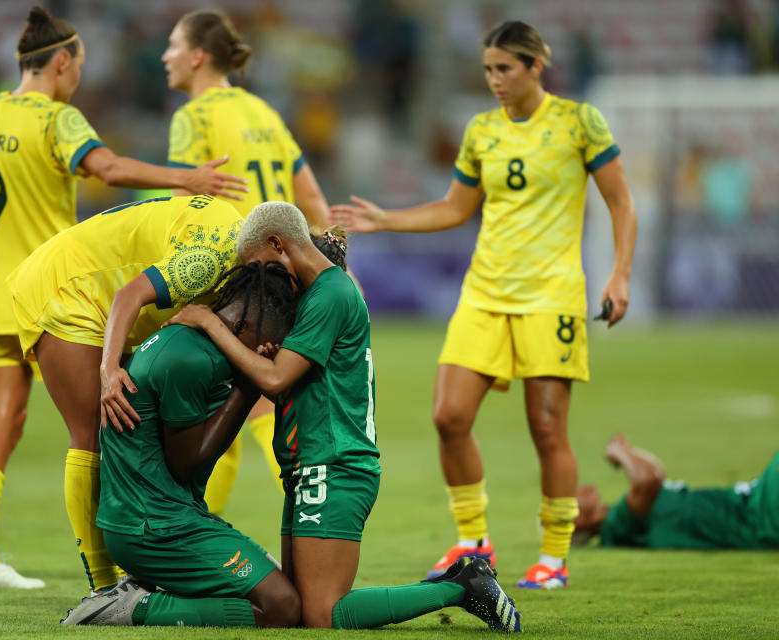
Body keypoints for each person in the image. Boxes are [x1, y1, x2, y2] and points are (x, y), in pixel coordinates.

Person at [0, 6, 247, 590]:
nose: (77, 77)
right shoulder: (59, 120)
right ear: (61, 62)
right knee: (100, 430)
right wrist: (185, 178)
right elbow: (107, 167)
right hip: (64, 287)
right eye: (78, 67)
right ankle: (112, 578)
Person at [330, 20, 637, 589]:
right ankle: (473, 542)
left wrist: (618, 275)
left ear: (535, 67)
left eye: (505, 69)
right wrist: (385, 218)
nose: (495, 80)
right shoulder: (480, 131)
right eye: (489, 70)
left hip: (551, 296)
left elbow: (621, 203)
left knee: (547, 430)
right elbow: (454, 208)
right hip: (485, 293)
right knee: (448, 416)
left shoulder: (578, 122)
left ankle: (554, 556)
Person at [163, 202, 521, 632]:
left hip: (334, 465)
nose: (260, 283)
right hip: (309, 466)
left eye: (259, 267)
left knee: (321, 614)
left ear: (278, 244)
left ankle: (464, 586)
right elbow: (296, 383)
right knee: (295, 608)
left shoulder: (330, 293)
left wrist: (209, 323)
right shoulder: (319, 293)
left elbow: (275, 381)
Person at [7, 194, 243, 594]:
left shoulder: (241, 245)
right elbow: (128, 295)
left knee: (133, 427)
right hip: (69, 287)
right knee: (95, 431)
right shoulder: (211, 259)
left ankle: (143, 570)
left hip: (99, 287)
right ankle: (105, 590)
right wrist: (109, 368)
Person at [61, 261, 303, 628]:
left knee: (285, 591)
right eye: (267, 342)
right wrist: (248, 386)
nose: (267, 354)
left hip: (164, 517)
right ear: (246, 324)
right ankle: (131, 607)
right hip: (153, 527)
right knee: (283, 607)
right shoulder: (189, 359)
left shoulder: (191, 343)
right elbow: (185, 462)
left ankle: (146, 591)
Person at [160, 8, 331, 516]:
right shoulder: (264, 113)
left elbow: (183, 205)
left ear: (196, 56)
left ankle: (192, 532)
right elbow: (314, 200)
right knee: (265, 401)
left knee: (226, 402)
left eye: (173, 45)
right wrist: (325, 270)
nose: (165, 55)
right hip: (286, 274)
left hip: (236, 274)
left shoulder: (194, 118)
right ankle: (315, 514)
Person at [573, 434, 779, 550]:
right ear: (575, 522)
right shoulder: (616, 524)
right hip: (757, 517)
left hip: (756, 505)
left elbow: (654, 473)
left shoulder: (622, 521)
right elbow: (648, 478)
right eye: (569, 498)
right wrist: (620, 452)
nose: (576, 490)